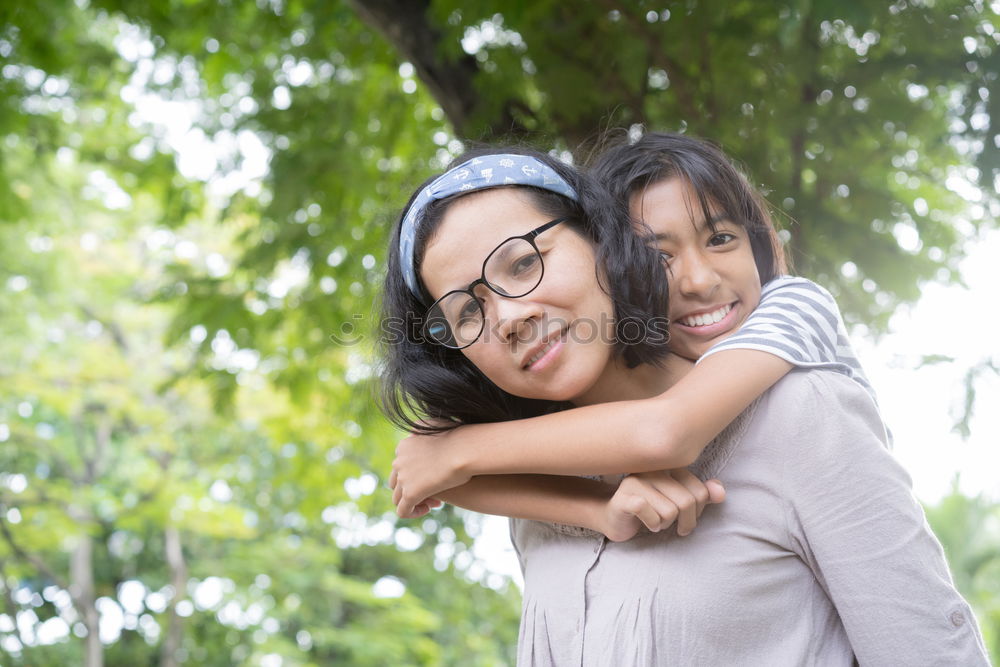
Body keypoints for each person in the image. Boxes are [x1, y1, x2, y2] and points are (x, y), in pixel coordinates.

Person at [377, 138, 989, 663]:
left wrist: (461, 451)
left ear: (604, 241)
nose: (507, 317)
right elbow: (426, 471)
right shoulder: (531, 485)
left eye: (523, 263)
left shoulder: (799, 402)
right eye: (465, 314)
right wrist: (593, 506)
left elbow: (930, 649)